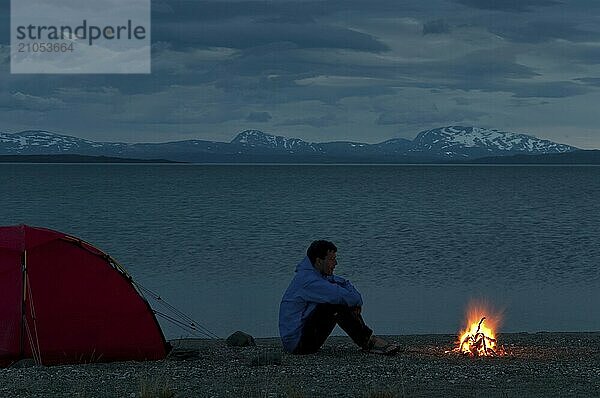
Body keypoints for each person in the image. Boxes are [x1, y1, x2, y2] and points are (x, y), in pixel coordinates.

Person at [279, 240, 400, 355]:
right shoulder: (308, 281)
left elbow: (343, 283)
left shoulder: (317, 274)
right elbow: (343, 296)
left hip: (303, 338)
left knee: (340, 300)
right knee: (336, 305)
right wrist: (354, 303)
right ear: (319, 261)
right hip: (298, 345)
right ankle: (368, 342)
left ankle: (368, 340)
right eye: (332, 259)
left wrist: (354, 302)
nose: (336, 263)